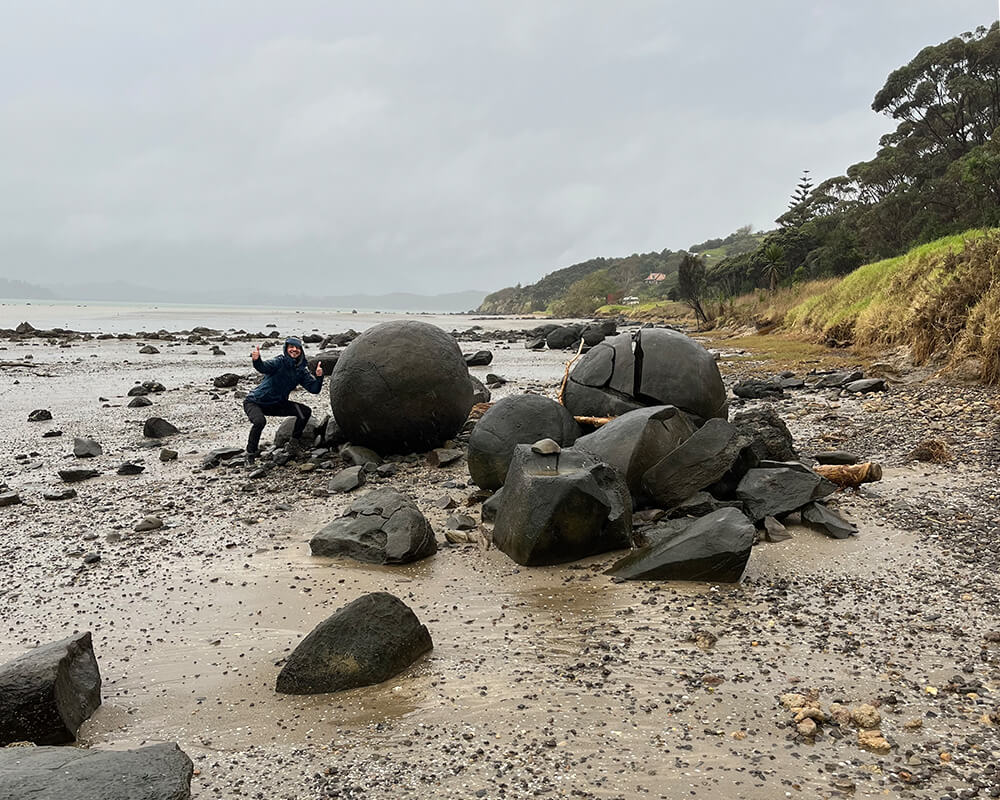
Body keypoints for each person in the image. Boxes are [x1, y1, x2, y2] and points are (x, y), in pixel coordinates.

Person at [244, 336, 324, 464]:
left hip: (276, 404)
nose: (294, 349)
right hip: (255, 402)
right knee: (259, 422)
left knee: (304, 412)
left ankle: (293, 446)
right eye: (291, 347)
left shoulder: (301, 371)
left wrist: (319, 377)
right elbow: (263, 367)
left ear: (301, 351)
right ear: (286, 349)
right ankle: (250, 455)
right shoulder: (279, 362)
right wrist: (257, 360)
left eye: (297, 347)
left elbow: (314, 389)